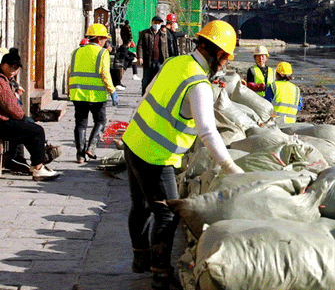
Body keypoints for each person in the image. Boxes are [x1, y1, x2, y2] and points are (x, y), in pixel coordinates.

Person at [121, 20, 245, 289]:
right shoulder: (198, 83)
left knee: (140, 206)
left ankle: (139, 258)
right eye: (225, 59)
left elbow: (146, 95)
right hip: (156, 156)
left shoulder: (175, 63)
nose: (224, 65)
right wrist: (231, 168)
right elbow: (208, 132)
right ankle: (160, 273)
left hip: (133, 142)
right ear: (216, 53)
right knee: (167, 214)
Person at [0, 48, 60, 181]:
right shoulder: (1, 82)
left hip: (5, 120)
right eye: (11, 67)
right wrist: (23, 117)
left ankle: (36, 164)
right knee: (37, 131)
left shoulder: (6, 80)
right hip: (2, 123)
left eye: (16, 68)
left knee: (30, 131)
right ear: (3, 65)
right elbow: (11, 107)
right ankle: (38, 167)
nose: (14, 70)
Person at [69, 23, 118, 164]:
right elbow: (105, 74)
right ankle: (91, 147)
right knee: (101, 121)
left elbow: (69, 72)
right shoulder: (103, 53)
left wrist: (69, 90)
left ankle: (80, 155)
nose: (105, 42)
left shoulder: (76, 52)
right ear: (97, 39)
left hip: (78, 93)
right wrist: (112, 91)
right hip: (96, 95)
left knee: (80, 124)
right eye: (103, 39)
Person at [137, 16, 168, 95]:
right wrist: (140, 57)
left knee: (158, 81)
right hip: (149, 61)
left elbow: (166, 49)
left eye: (159, 23)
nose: (157, 25)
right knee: (146, 80)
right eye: (155, 23)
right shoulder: (145, 33)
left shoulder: (163, 35)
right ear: (152, 23)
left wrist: (167, 60)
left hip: (160, 61)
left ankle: (155, 97)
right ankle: (144, 96)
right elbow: (140, 46)